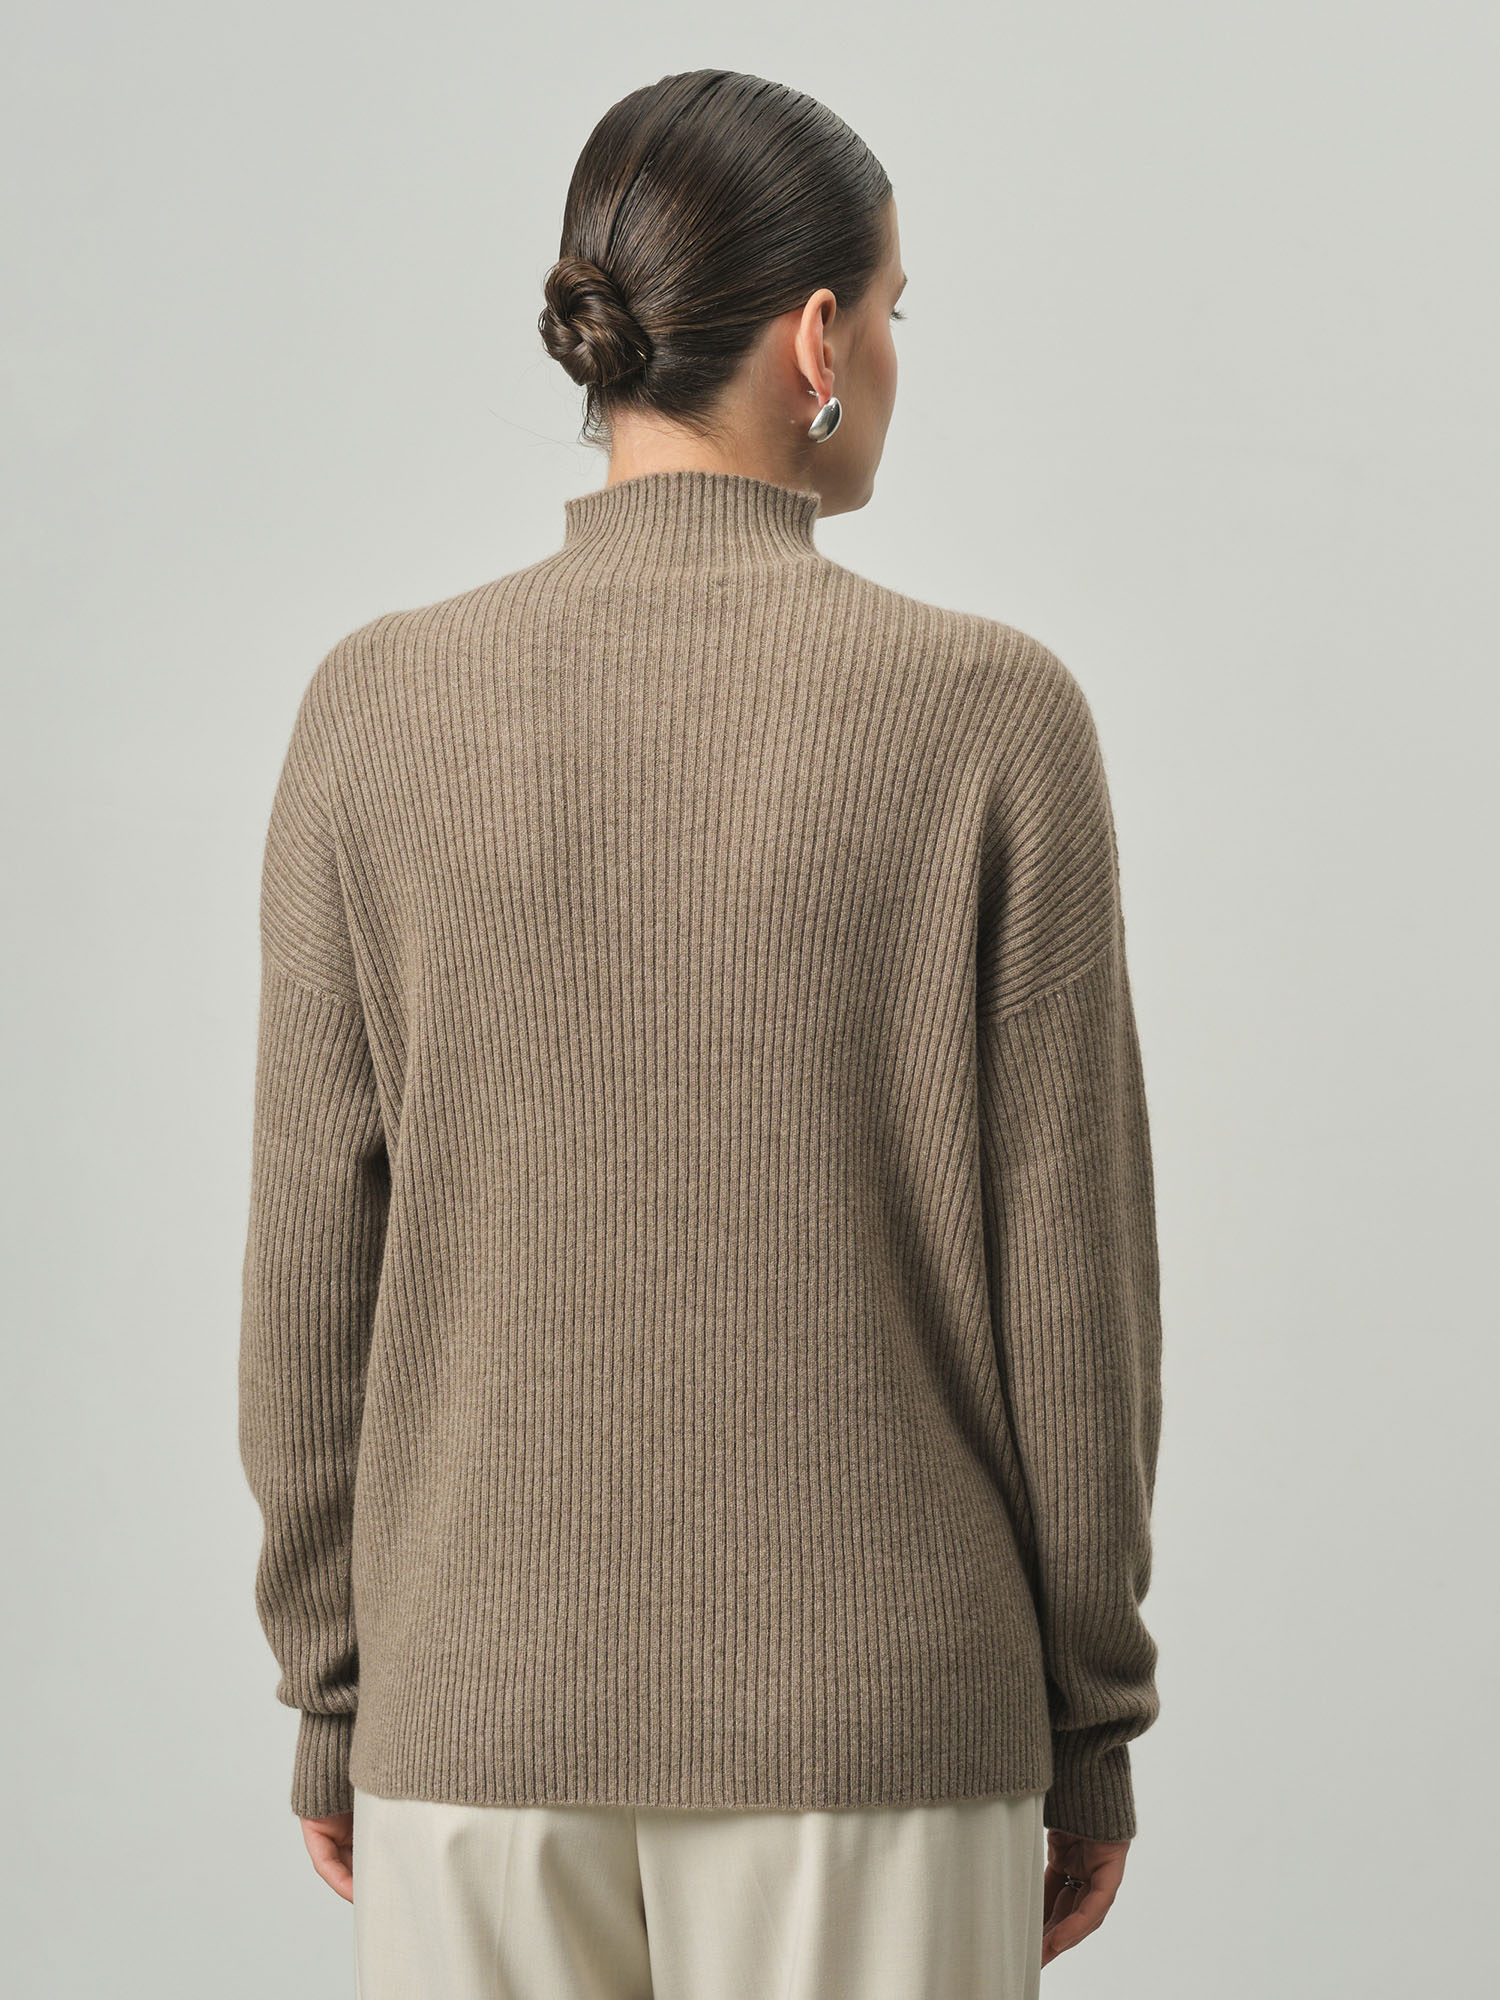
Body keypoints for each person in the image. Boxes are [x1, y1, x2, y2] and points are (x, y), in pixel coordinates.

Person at [238, 66, 1164, 2000]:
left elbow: (313, 1275)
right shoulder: (992, 721)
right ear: (818, 338)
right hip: (883, 1730)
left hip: (475, 1717)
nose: (894, 353)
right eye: (894, 307)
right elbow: (1071, 1293)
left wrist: (337, 1693)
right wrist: (1090, 1721)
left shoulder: (374, 711)